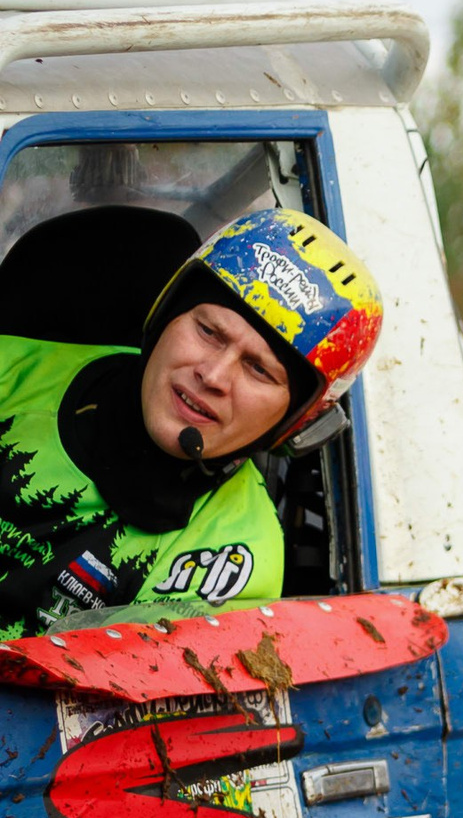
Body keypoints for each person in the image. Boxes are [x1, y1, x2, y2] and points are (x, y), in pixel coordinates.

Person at [0, 208, 382, 639]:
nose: (213, 376)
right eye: (209, 332)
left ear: (293, 422)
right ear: (164, 316)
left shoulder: (239, 556)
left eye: (259, 369)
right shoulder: (10, 372)